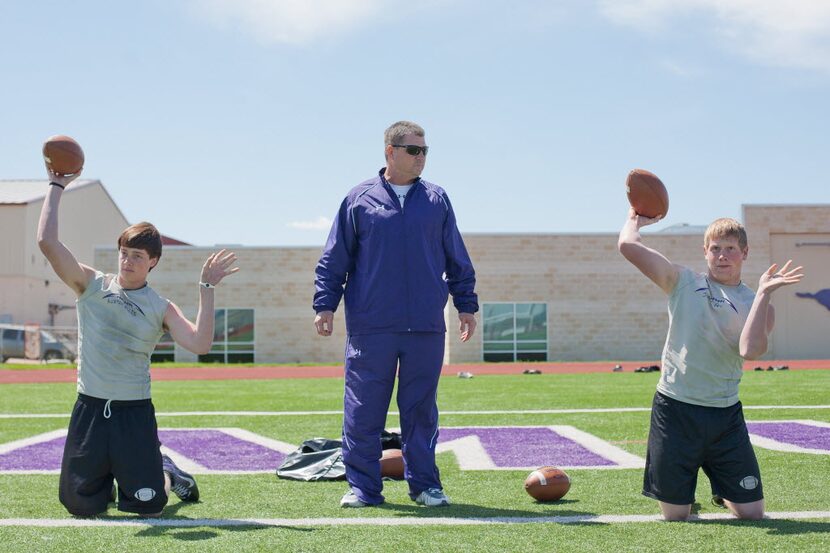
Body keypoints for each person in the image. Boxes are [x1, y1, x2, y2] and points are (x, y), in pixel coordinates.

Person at [38, 165, 239, 517]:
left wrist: (206, 290)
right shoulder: (91, 285)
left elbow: (199, 344)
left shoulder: (160, 307)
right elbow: (48, 243)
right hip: (90, 409)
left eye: (137, 257)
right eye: (124, 253)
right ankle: (113, 477)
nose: (127, 261)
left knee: (148, 507)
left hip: (133, 414)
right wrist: (56, 185)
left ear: (153, 263)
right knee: (80, 506)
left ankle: (166, 471)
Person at [313, 121, 478, 508]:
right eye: (413, 150)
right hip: (372, 325)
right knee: (363, 411)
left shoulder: (437, 199)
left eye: (425, 151)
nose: (421, 158)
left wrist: (466, 304)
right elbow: (335, 256)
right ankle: (364, 489)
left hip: (424, 324)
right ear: (391, 151)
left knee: (421, 411)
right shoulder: (358, 199)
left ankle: (425, 486)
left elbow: (456, 255)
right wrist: (325, 303)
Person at [618, 209, 803, 521]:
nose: (722, 256)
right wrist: (635, 219)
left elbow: (750, 351)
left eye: (730, 248)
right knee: (676, 516)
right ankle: (696, 493)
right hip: (676, 409)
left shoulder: (758, 305)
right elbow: (628, 246)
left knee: (753, 514)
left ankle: (723, 491)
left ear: (744, 252)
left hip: (724, 416)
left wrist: (763, 295)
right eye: (715, 248)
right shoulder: (682, 281)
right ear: (705, 252)